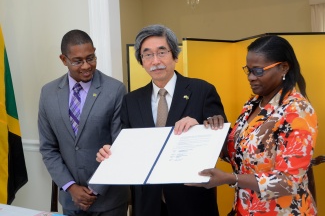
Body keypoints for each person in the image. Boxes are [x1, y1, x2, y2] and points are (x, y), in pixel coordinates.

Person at [96, 24, 227, 216]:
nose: (155, 61)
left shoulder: (202, 91)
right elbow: (126, 145)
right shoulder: (131, 101)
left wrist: (200, 128)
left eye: (162, 52)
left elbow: (223, 144)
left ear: (175, 55)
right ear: (141, 61)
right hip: (148, 203)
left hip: (192, 201)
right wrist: (110, 152)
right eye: (147, 55)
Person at [191, 35, 318, 215]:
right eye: (248, 70)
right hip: (245, 208)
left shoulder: (297, 110)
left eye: (258, 71)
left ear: (284, 67)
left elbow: (287, 182)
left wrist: (230, 178)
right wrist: (206, 133)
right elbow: (241, 154)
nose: (250, 77)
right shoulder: (253, 103)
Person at [38, 29, 129, 216]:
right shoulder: (48, 93)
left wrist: (92, 191)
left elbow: (120, 146)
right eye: (78, 61)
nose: (86, 66)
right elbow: (48, 148)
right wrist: (71, 188)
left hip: (109, 201)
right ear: (64, 60)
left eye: (91, 58)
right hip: (71, 201)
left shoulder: (115, 90)